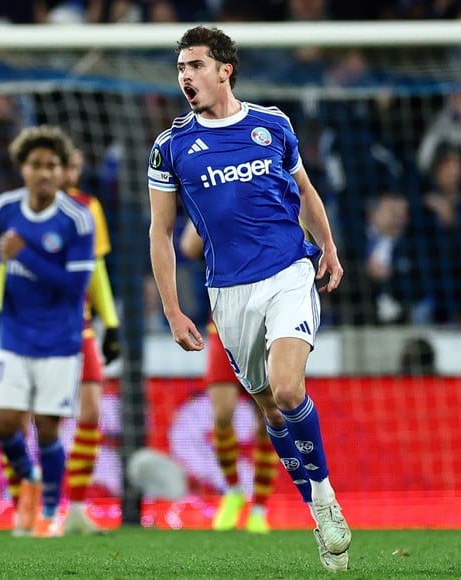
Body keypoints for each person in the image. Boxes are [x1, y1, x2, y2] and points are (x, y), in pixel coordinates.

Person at [147, 26, 350, 571]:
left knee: (287, 391)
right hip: (227, 294)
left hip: (288, 272)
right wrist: (171, 307)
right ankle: (312, 509)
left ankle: (326, 498)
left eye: (195, 65)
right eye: (180, 68)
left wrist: (327, 246)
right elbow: (160, 233)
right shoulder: (171, 148)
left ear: (224, 70)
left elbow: (304, 190)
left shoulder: (272, 125)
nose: (186, 77)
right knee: (268, 409)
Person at [0, 125, 95, 538]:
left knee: (47, 428)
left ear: (63, 172)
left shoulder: (76, 220)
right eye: (35, 165)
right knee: (4, 423)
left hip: (59, 341)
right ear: (22, 168)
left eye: (52, 166)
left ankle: (47, 511)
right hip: (14, 335)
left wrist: (26, 254)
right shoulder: (6, 208)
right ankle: (28, 482)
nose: (43, 173)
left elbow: (77, 287)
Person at [179, 221, 278, 534]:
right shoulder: (216, 194)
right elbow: (188, 247)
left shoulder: (273, 194)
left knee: (271, 417)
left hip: (267, 322)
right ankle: (234, 492)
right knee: (222, 415)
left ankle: (260, 508)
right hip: (224, 323)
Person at [61, 147, 120, 535]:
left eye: (73, 165)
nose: (68, 171)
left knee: (91, 412)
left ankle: (76, 508)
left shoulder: (88, 206)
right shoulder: (20, 210)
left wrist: (110, 322)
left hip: (79, 326)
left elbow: (96, 266)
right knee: (35, 421)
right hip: (36, 328)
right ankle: (37, 505)